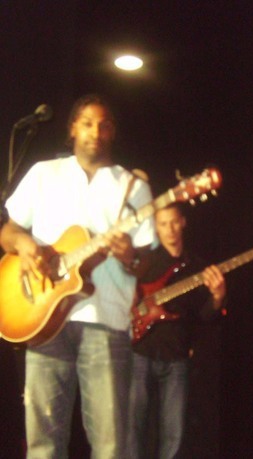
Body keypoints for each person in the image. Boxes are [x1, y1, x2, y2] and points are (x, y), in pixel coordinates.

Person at [0, 94, 156, 458]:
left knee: (110, 445)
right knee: (43, 443)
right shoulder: (43, 173)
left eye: (104, 125)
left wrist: (129, 255)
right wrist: (24, 244)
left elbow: (144, 263)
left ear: (113, 132)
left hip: (105, 321)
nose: (95, 132)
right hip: (42, 319)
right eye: (87, 123)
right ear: (72, 128)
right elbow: (8, 232)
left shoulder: (133, 187)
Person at [128, 202, 226, 459]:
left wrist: (217, 297)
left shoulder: (197, 267)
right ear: (156, 228)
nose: (170, 229)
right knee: (133, 429)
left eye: (173, 222)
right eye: (163, 224)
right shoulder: (145, 263)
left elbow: (204, 317)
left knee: (175, 434)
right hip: (141, 351)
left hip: (177, 357)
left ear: (183, 222)